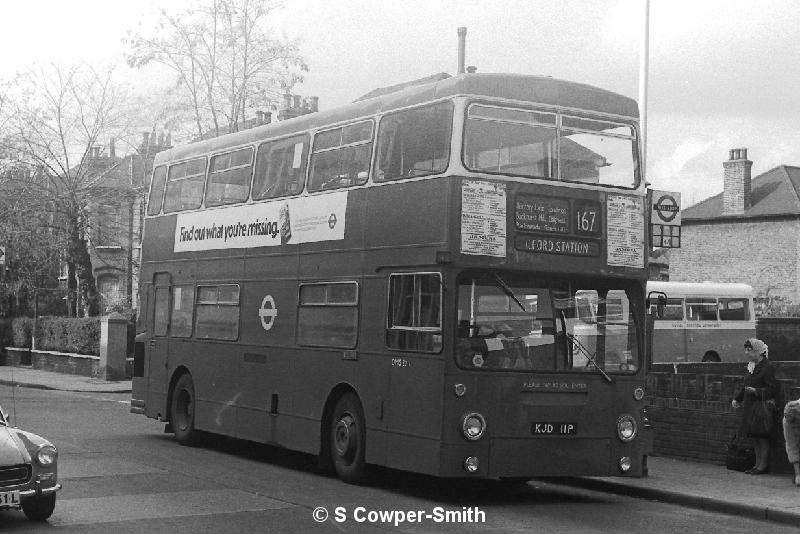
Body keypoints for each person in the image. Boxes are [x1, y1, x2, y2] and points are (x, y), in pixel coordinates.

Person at [731, 338, 778, 474]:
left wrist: (756, 391)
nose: (746, 353)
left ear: (758, 351)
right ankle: (757, 465)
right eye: (746, 350)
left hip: (762, 408)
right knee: (755, 436)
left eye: (749, 350)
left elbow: (772, 389)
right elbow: (745, 384)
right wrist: (737, 399)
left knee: (762, 437)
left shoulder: (768, 367)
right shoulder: (751, 366)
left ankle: (763, 466)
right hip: (751, 407)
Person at [783, 399, 800, 486]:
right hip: (790, 427)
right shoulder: (787, 422)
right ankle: (797, 474)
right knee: (793, 446)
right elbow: (791, 446)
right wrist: (798, 475)